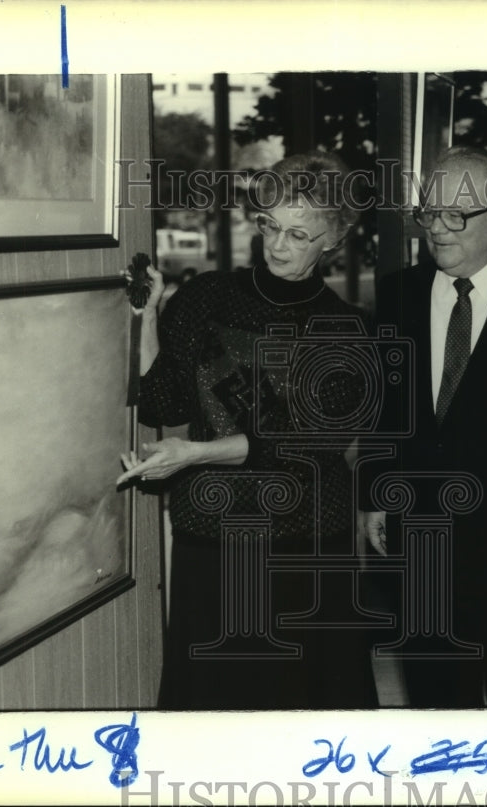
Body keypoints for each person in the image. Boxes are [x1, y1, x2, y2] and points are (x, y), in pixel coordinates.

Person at [118, 151, 379, 710]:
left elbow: (295, 443)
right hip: (211, 541)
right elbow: (159, 399)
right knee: (213, 711)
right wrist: (149, 317)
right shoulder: (205, 297)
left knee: (304, 716)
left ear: (332, 240)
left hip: (303, 548)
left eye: (299, 234)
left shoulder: (347, 330)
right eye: (270, 226)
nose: (279, 245)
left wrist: (192, 455)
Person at [358, 145, 487, 707]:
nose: (437, 229)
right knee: (435, 702)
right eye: (428, 212)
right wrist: (375, 491)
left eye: (455, 215)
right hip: (419, 541)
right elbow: (383, 405)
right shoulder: (397, 293)